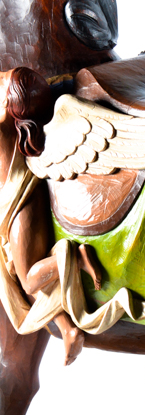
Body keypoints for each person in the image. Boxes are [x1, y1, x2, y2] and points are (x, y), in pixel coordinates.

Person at [0, 66, 102, 365]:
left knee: (29, 281)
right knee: (15, 279)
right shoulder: (13, 108)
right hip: (20, 198)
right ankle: (68, 329)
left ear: (8, 107)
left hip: (17, 206)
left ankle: (72, 259)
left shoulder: (3, 120)